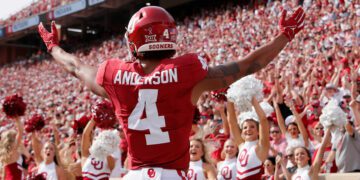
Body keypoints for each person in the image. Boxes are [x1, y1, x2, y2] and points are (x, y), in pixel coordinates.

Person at [38, 5, 305, 179]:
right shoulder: (189, 72)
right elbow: (247, 65)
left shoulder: (114, 74)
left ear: (133, 40)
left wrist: (53, 48)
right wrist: (283, 36)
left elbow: (76, 67)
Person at [227, 97, 270, 179]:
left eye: (252, 127)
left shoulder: (261, 147)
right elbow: (231, 122)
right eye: (245, 127)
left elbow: (263, 120)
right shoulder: (241, 145)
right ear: (242, 132)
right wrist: (230, 96)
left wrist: (252, 97)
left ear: (258, 131)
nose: (248, 129)